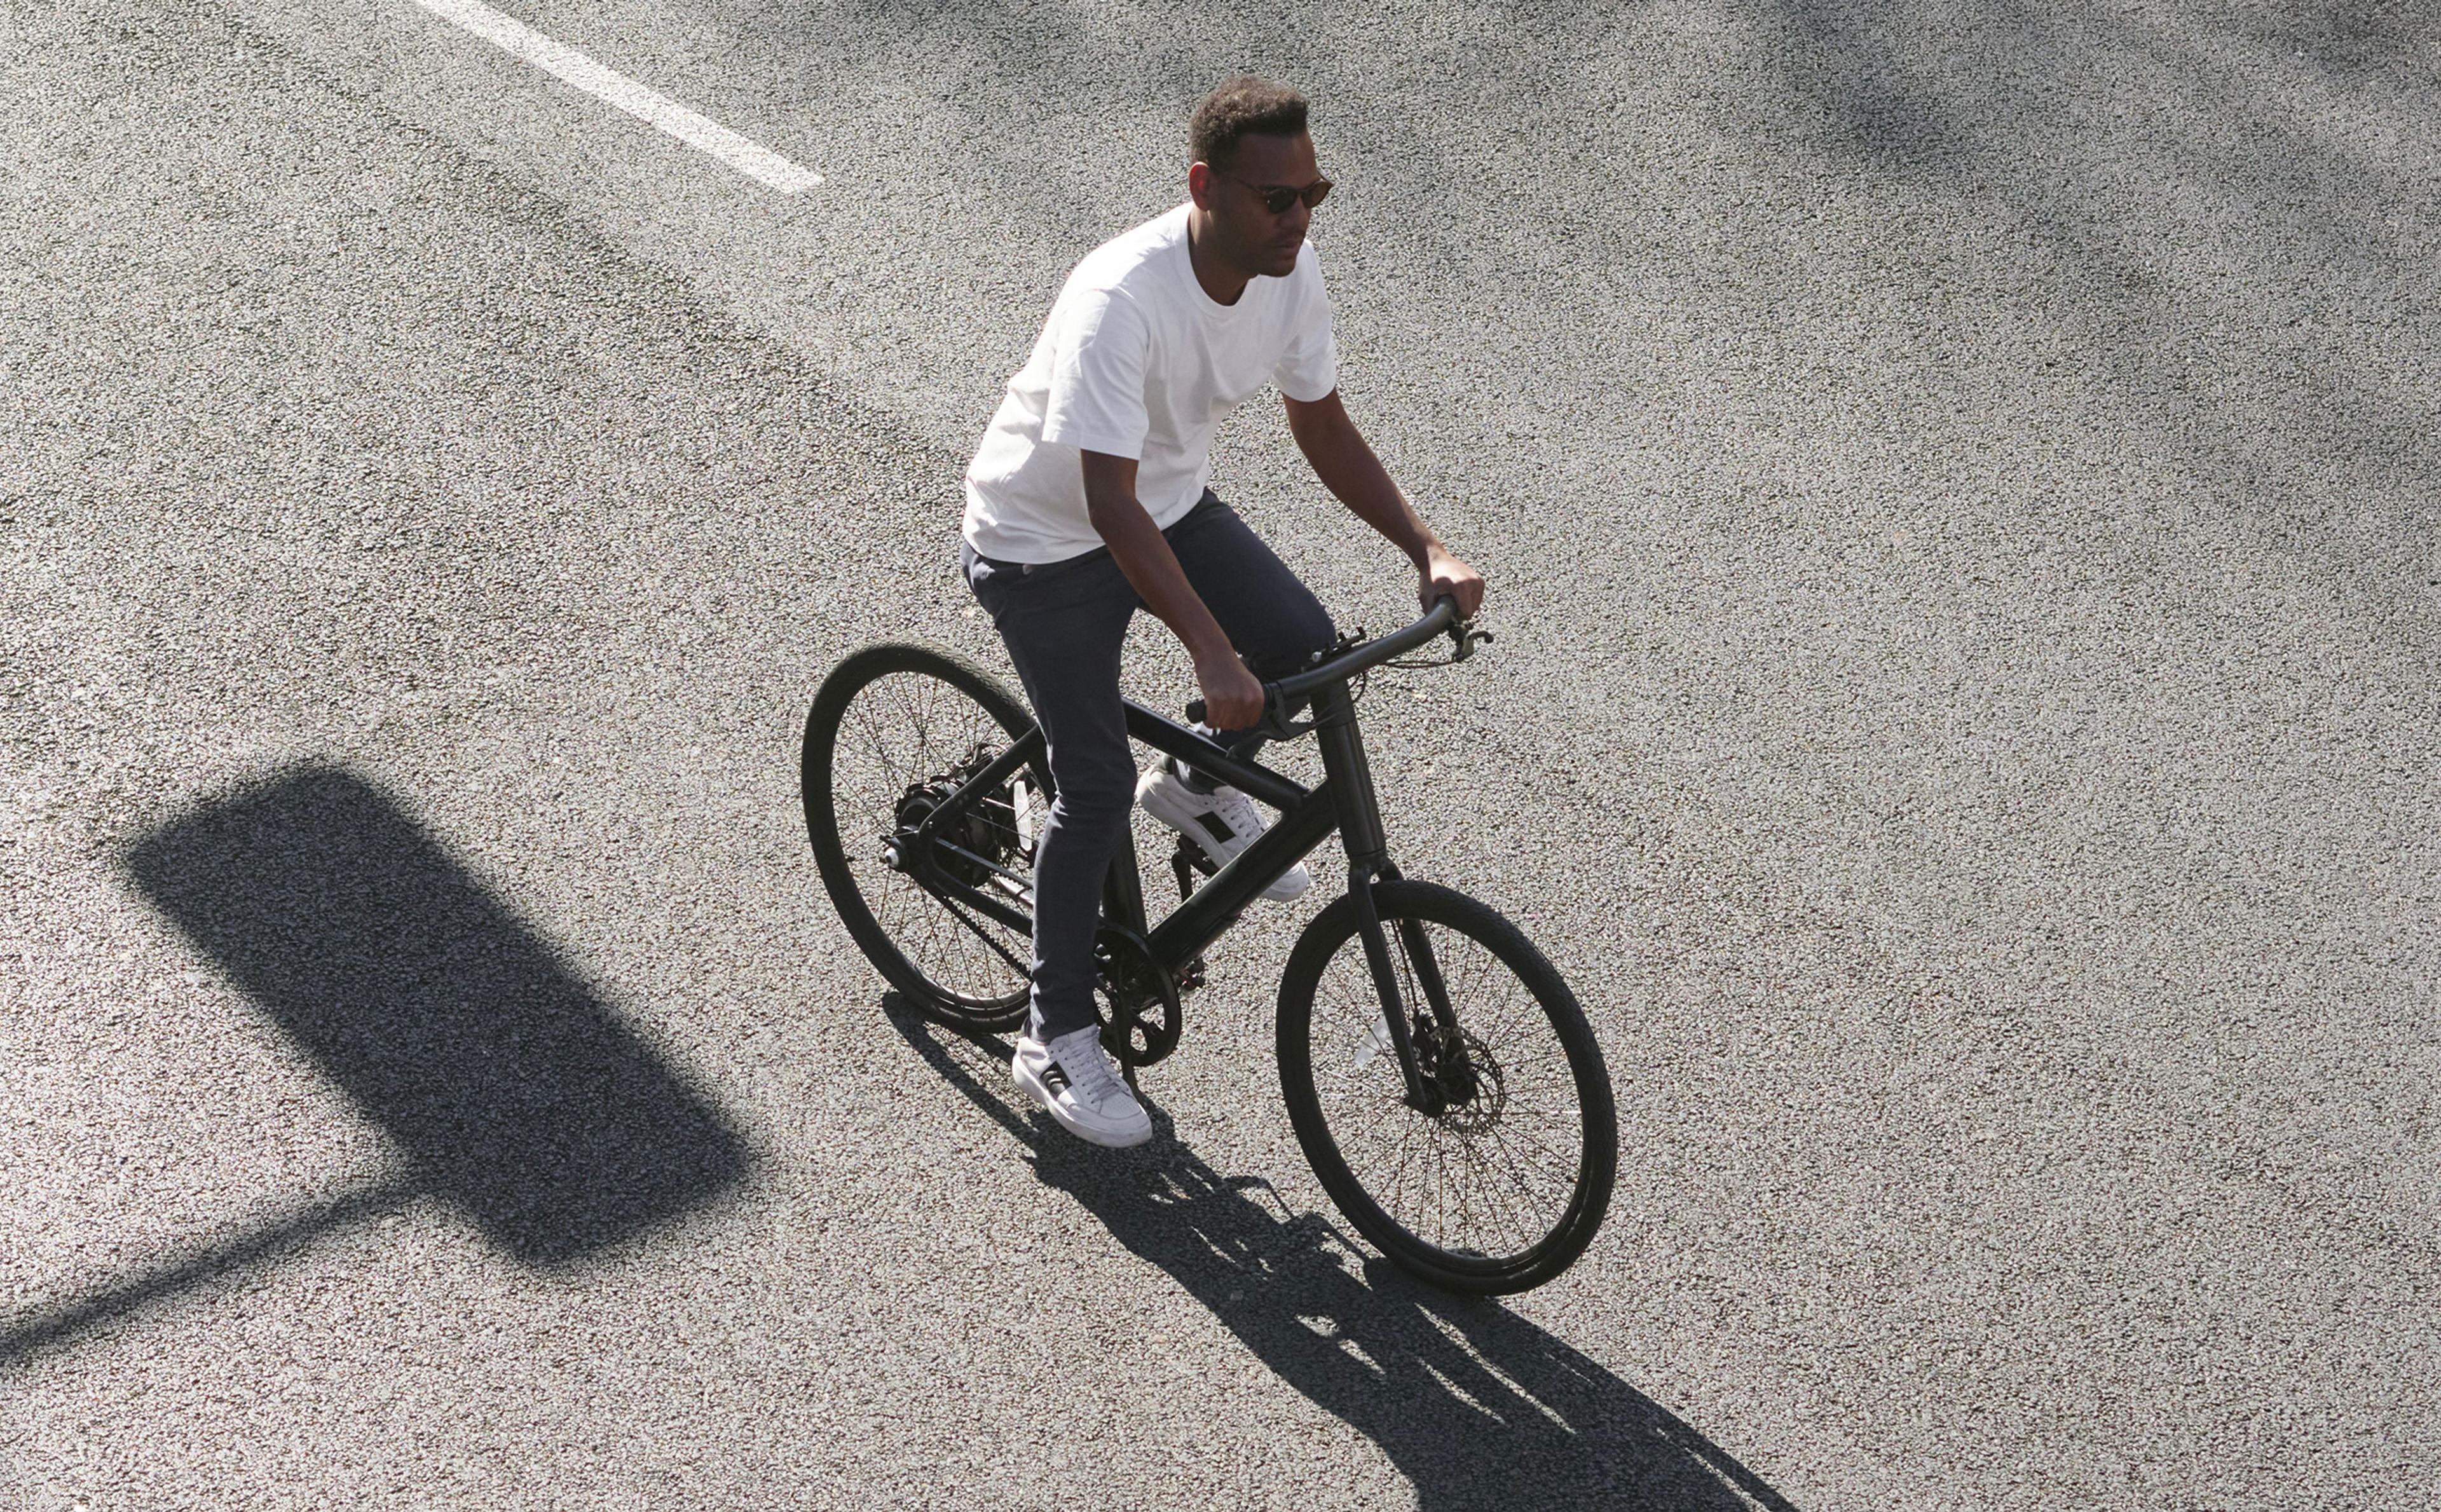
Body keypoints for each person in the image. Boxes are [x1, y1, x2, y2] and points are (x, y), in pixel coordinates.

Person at [961, 77, 1486, 1148]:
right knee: (1095, 783)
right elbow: (1106, 503)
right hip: (1042, 544)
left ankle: (1197, 785)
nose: (1299, 220)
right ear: (1204, 187)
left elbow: (1323, 425)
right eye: (1275, 200)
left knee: (1302, 650)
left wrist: (1423, 544)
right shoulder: (1123, 298)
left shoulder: (1287, 269)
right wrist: (1207, 649)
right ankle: (1052, 1034)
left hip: (1165, 506)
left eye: (1313, 195)